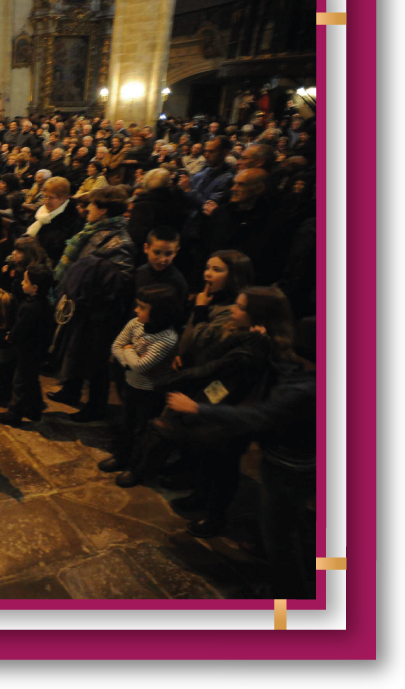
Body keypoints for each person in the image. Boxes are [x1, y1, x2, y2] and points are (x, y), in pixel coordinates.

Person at [164, 316, 316, 596]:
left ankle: (288, 597)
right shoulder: (310, 372)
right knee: (282, 525)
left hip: (289, 469)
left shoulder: (307, 389)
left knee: (281, 536)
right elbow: (287, 373)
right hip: (290, 463)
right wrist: (266, 344)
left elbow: (259, 415)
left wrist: (198, 408)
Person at [48, 186, 136, 421]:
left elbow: (120, 281)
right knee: (74, 350)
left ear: (104, 210)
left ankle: (96, 406)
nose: (87, 208)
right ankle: (70, 390)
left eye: (92, 205)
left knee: (95, 360)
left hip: (98, 311)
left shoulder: (120, 240)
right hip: (80, 304)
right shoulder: (92, 231)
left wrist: (89, 290)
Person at [99, 285, 181, 487]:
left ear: (158, 312)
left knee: (143, 431)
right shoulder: (135, 323)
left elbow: (141, 366)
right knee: (126, 423)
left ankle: (135, 469)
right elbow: (117, 345)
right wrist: (129, 357)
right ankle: (121, 456)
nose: (137, 310)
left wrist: (129, 354)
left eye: (142, 307)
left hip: (151, 391)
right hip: (131, 385)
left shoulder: (167, 338)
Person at [0, 264, 55, 425]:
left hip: (28, 350)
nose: (21, 283)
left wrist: (9, 337)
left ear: (34, 288)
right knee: (32, 379)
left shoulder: (29, 307)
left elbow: (20, 328)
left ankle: (14, 413)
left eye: (25, 282)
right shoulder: (44, 303)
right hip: (39, 350)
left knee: (20, 382)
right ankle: (34, 409)